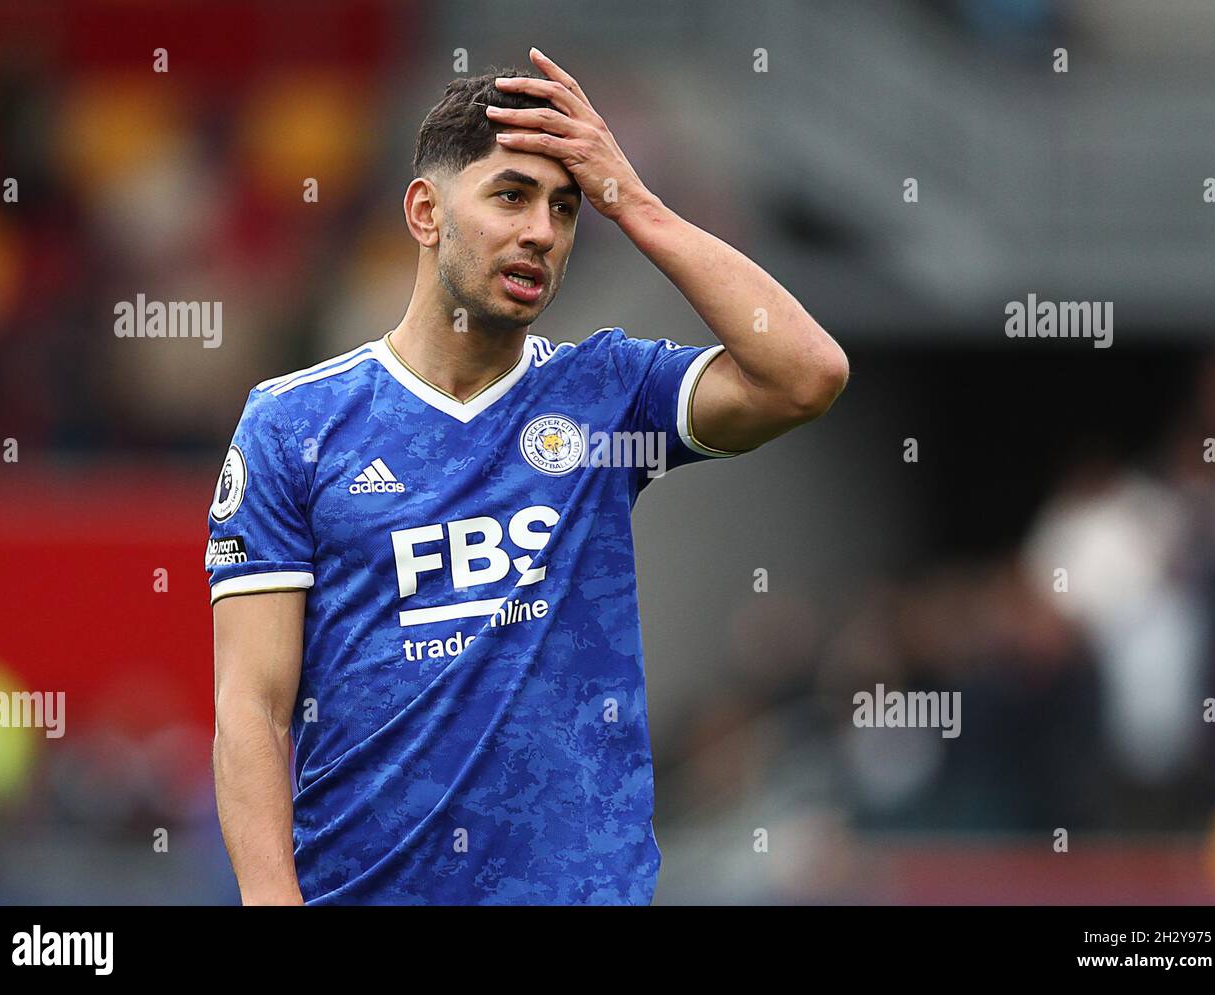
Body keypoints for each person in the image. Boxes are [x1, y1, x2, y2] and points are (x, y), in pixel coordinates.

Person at [208, 48, 849, 905]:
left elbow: (807, 373)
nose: (542, 231)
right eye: (511, 196)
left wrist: (637, 203)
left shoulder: (608, 395)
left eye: (567, 208)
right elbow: (252, 705)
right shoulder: (295, 426)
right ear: (426, 211)